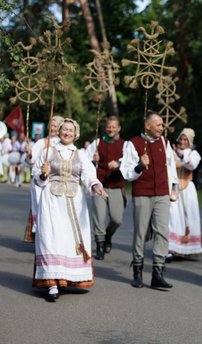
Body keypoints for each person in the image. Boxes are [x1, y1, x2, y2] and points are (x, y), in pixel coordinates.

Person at [32, 118, 107, 302]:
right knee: (51, 237)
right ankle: (51, 283)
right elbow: (36, 178)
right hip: (52, 200)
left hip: (74, 202)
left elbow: (89, 175)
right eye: (64, 129)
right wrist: (43, 173)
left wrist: (96, 186)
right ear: (58, 131)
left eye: (70, 131)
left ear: (76, 134)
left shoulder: (80, 154)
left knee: (68, 240)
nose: (67, 133)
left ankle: (67, 277)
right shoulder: (48, 151)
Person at [120, 111, 178, 289]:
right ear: (148, 125)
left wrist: (173, 187)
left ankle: (158, 272)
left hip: (162, 193)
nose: (162, 127)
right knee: (141, 232)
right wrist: (139, 165)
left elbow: (170, 167)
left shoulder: (165, 142)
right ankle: (137, 270)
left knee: (162, 231)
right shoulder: (133, 144)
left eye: (162, 125)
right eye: (159, 124)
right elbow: (127, 172)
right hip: (142, 193)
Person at [86, 116, 127, 260]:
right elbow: (85, 159)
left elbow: (129, 161)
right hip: (100, 184)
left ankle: (108, 236)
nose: (111, 129)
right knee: (99, 216)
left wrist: (119, 163)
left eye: (114, 127)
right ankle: (100, 246)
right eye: (109, 126)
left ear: (119, 128)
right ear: (106, 127)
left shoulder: (125, 144)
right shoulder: (97, 142)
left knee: (117, 219)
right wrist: (93, 159)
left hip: (116, 185)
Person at [24, 115, 63, 243]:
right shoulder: (42, 142)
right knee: (41, 209)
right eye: (51, 125)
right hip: (39, 181)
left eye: (55, 126)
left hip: (56, 181)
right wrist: (29, 154)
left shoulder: (63, 144)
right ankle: (40, 237)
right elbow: (31, 161)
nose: (52, 128)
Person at [167, 128, 202, 259]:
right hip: (174, 188)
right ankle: (171, 247)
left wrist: (180, 155)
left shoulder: (194, 154)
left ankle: (187, 248)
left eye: (185, 140)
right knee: (173, 216)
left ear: (190, 142)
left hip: (188, 188)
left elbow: (192, 165)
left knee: (189, 216)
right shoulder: (171, 152)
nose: (182, 142)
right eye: (181, 139)